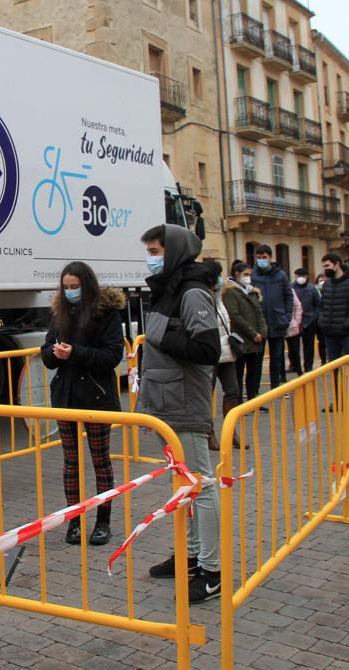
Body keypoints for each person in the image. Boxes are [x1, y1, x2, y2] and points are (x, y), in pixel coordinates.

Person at [135, 225, 223, 604]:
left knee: (200, 486)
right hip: (165, 402)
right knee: (183, 485)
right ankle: (188, 557)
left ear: (173, 252)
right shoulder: (170, 289)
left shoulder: (191, 291)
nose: (151, 257)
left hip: (184, 403)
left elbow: (208, 349)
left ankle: (211, 570)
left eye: (156, 250)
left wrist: (159, 335)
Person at [40, 262, 125, 546]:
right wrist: (53, 352)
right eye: (66, 287)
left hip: (97, 398)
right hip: (66, 397)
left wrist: (75, 353)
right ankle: (73, 521)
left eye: (75, 287)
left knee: (101, 462)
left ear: (87, 286)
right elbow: (46, 351)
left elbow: (112, 356)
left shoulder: (107, 314)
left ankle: (103, 521)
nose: (70, 291)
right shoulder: (60, 313)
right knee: (70, 464)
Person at [202, 260, 241, 451]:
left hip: (227, 353)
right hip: (210, 355)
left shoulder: (220, 296)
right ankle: (209, 434)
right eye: (218, 274)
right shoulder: (202, 297)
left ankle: (231, 432)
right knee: (206, 396)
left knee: (233, 391)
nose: (221, 278)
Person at [221, 261, 266, 408]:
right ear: (237, 274)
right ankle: (239, 402)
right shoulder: (230, 292)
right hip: (240, 338)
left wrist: (262, 332)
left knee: (255, 371)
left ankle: (253, 399)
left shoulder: (252, 291)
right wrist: (252, 333)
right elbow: (235, 315)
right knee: (238, 372)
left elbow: (259, 312)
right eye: (246, 274)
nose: (248, 278)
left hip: (256, 339)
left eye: (249, 275)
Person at [250, 246, 293, 392]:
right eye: (259, 257)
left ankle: (275, 388)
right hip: (259, 324)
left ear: (270, 257)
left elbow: (288, 296)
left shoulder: (281, 275)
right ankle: (254, 390)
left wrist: (286, 316)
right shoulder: (252, 275)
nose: (262, 260)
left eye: (264, 257)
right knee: (257, 359)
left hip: (277, 321)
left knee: (276, 358)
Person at [317, 254, 349, 361]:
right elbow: (322, 305)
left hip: (348, 334)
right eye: (324, 267)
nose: (325, 269)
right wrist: (322, 322)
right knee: (333, 366)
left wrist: (347, 324)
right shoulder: (327, 284)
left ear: (337, 264)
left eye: (327, 266)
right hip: (330, 333)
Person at [288, 268, 320, 374]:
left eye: (302, 276)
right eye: (297, 276)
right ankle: (294, 365)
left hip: (309, 321)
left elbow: (318, 304)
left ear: (307, 277)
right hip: (294, 322)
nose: (300, 278)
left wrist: (314, 316)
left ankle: (308, 366)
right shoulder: (290, 288)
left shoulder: (312, 289)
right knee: (293, 347)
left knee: (308, 345)